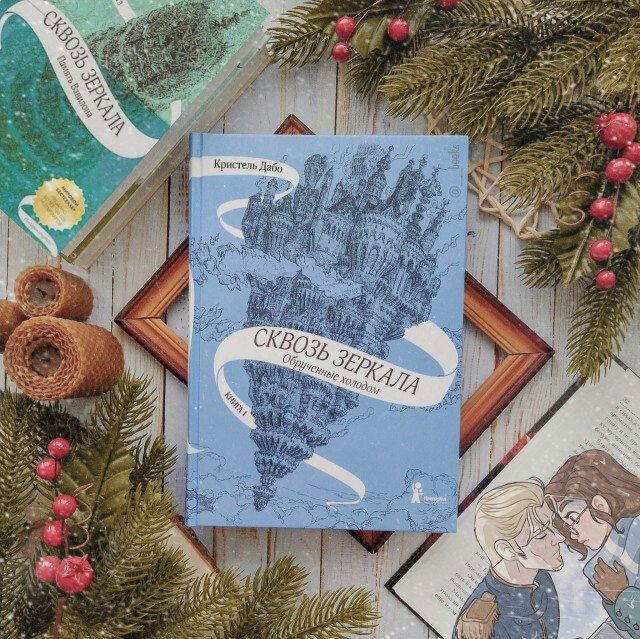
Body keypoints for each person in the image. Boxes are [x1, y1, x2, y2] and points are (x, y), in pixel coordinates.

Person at [545, 450, 640, 639]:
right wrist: (615, 598)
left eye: (573, 518)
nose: (572, 534)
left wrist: (621, 595)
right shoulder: (608, 562)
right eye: (566, 525)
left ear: (600, 505)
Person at [454, 481, 564, 639]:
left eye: (552, 524)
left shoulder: (541, 578)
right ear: (507, 550)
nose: (559, 537)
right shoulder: (481, 624)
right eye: (541, 535)